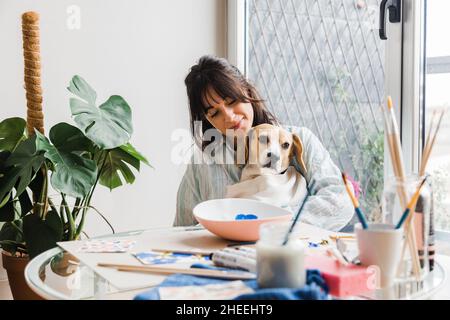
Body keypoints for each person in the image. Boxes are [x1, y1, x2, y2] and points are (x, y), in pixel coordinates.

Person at [174, 55, 353, 231]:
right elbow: (181, 231)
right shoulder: (203, 164)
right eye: (214, 113)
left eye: (232, 101)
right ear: (207, 120)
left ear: (248, 91)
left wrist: (271, 222)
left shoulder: (299, 139)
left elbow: (341, 201)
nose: (228, 116)